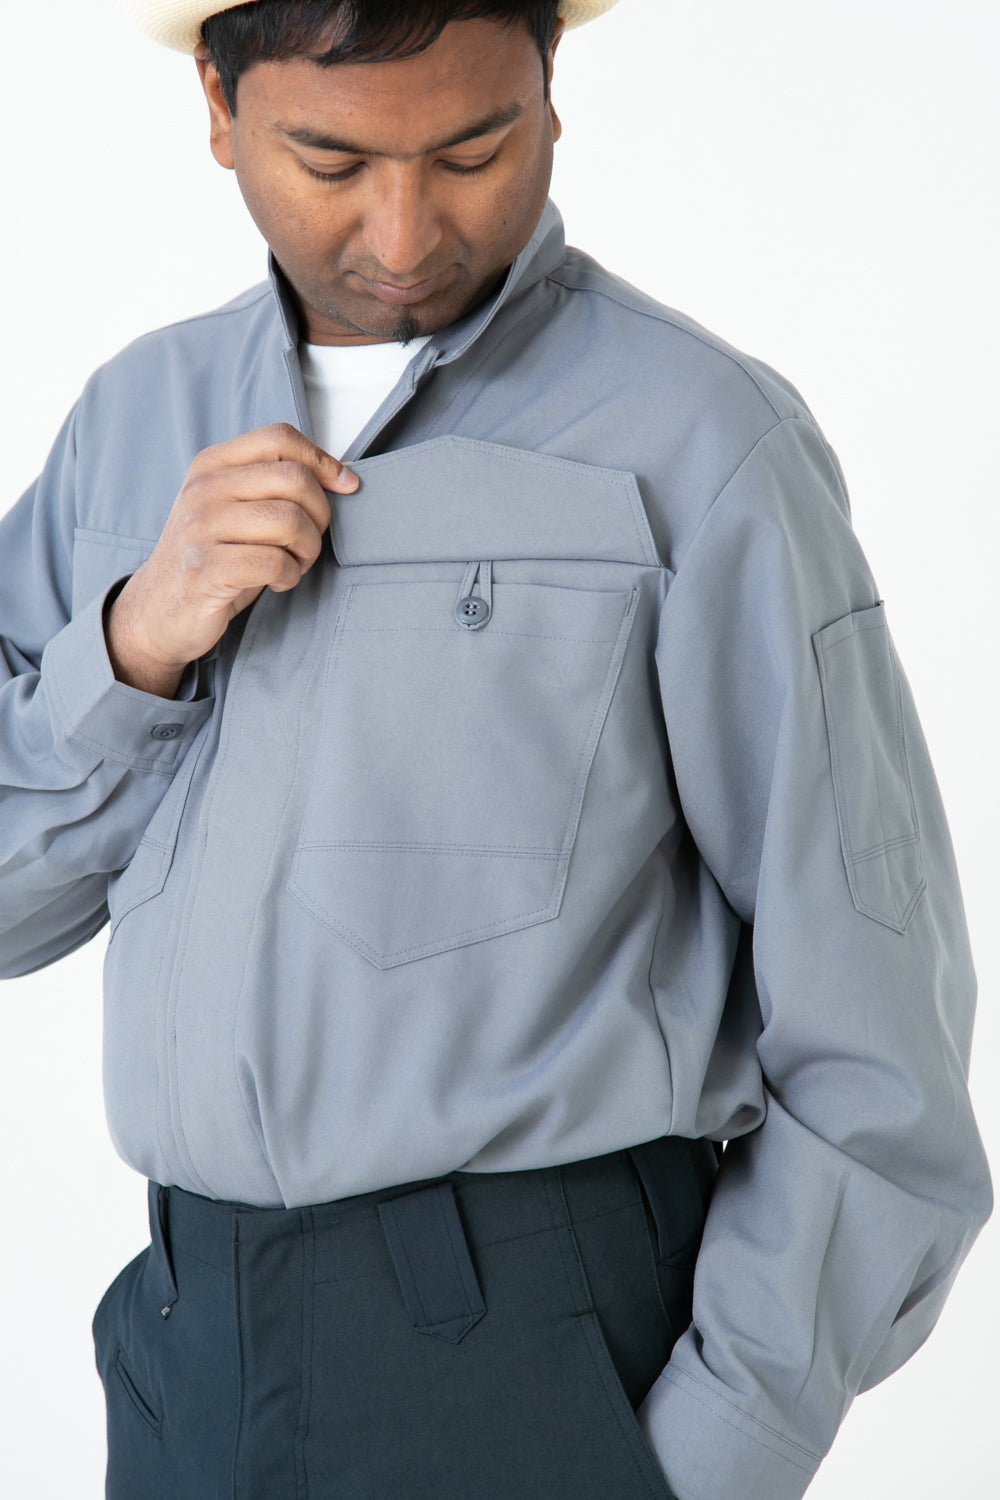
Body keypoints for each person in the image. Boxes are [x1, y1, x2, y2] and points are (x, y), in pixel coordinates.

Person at [0, 0, 992, 1496]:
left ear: (550, 89)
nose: (406, 234)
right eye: (331, 162)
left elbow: (881, 1042)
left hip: (534, 1352)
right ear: (217, 108)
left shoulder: (702, 441)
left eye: (475, 150)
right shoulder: (132, 425)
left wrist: (708, 1454)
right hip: (187, 1354)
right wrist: (135, 645)